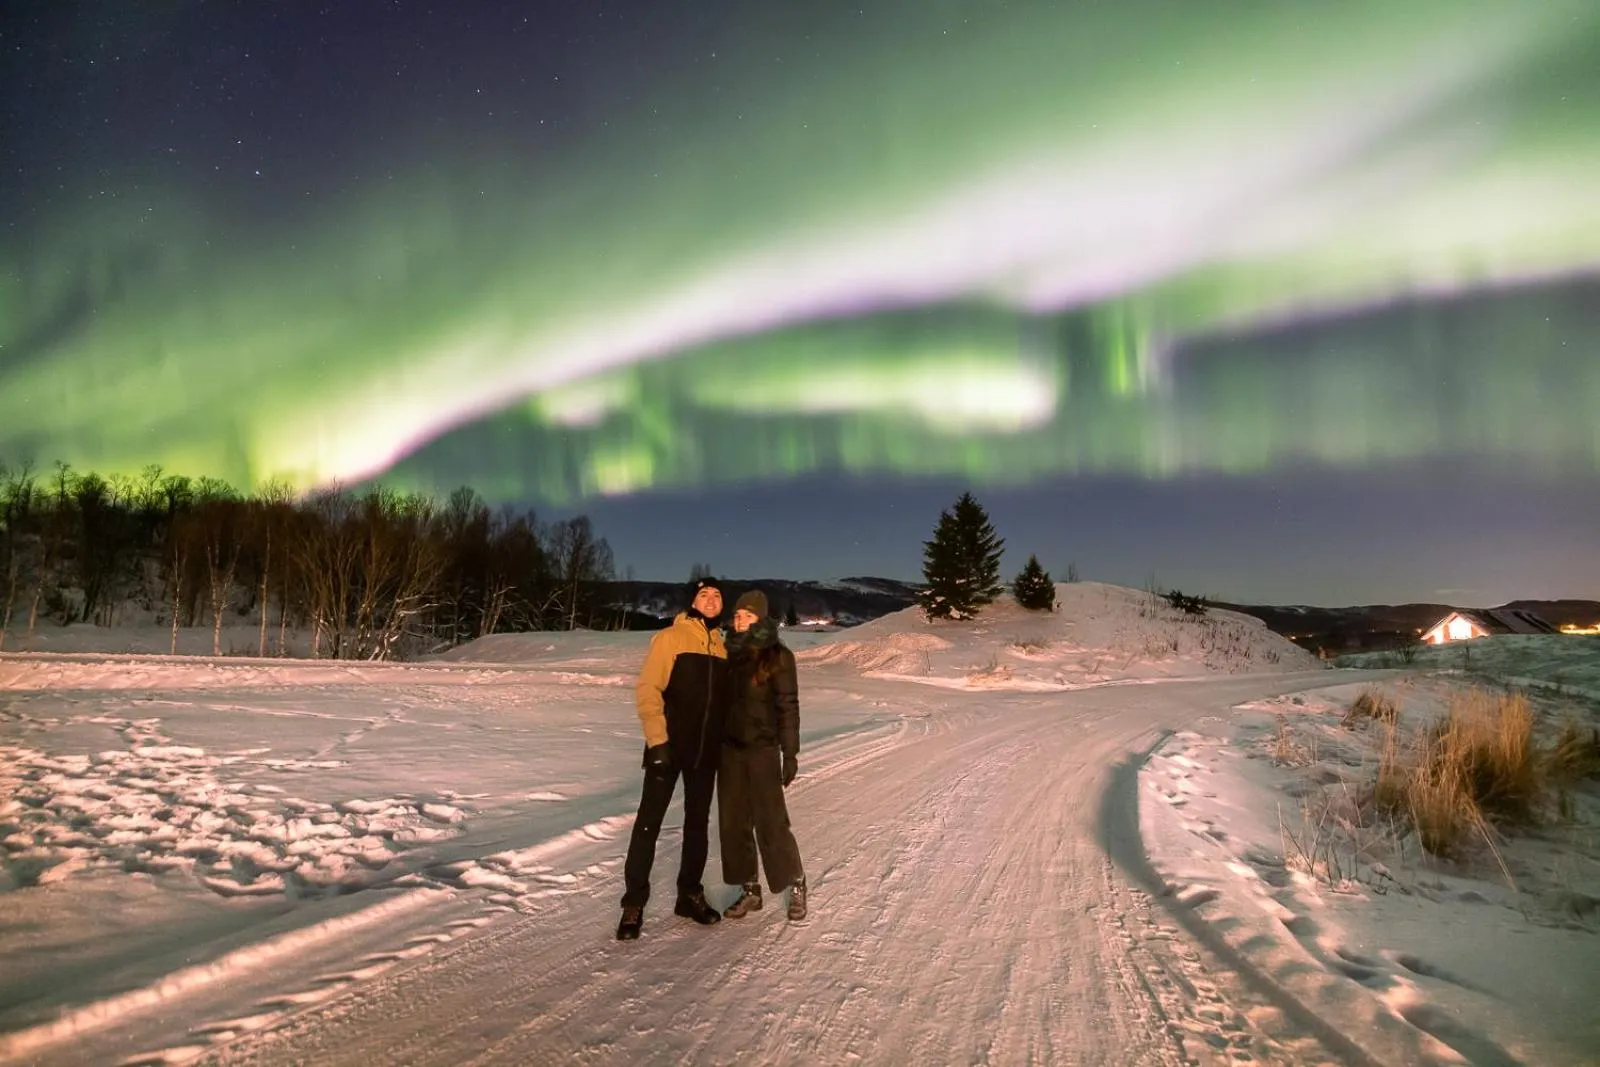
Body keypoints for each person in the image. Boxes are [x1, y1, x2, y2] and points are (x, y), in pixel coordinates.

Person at [617, 578, 730, 940]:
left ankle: (688, 895)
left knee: (697, 826)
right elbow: (648, 688)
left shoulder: (721, 646)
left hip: (705, 752)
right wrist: (657, 741)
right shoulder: (670, 639)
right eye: (704, 594)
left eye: (716, 595)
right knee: (648, 824)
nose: (711, 600)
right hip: (668, 746)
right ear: (693, 602)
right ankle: (634, 902)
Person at [718, 590, 808, 922]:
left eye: (748, 614)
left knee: (771, 823)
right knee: (734, 824)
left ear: (761, 618)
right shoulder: (727, 654)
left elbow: (788, 707)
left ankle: (796, 881)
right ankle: (749, 889)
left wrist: (790, 753)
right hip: (729, 751)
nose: (739, 619)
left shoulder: (778, 656)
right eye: (738, 614)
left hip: (763, 750)